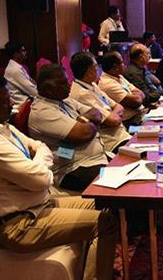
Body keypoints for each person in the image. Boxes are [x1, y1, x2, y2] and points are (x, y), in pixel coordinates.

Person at [0, 71, 118, 280]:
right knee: (106, 223)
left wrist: (39, 158)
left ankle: (90, 278)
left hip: (38, 206)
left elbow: (39, 146)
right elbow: (42, 179)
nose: (12, 106)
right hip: (20, 225)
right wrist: (40, 161)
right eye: (5, 101)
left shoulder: (1, 126)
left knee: (105, 203)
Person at [28, 64, 108, 192]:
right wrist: (85, 125)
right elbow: (84, 133)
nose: (69, 85)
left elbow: (97, 113)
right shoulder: (42, 112)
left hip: (95, 160)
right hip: (72, 169)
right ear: (49, 88)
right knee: (122, 185)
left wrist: (81, 121)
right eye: (64, 83)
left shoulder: (65, 100)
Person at [69, 52, 131, 153]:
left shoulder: (92, 85)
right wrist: (115, 116)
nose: (99, 69)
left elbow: (119, 106)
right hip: (112, 142)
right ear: (89, 71)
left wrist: (114, 115)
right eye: (96, 66)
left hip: (121, 134)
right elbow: (113, 121)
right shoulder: (81, 94)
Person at [98, 51, 146, 127]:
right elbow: (137, 102)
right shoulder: (107, 84)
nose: (125, 65)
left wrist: (136, 95)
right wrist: (136, 96)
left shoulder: (118, 76)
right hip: (130, 122)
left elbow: (141, 93)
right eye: (122, 62)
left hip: (140, 115)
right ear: (115, 66)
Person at [4, 41, 38, 107]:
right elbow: (33, 92)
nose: (25, 52)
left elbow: (32, 83)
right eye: (23, 50)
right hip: (23, 105)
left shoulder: (16, 66)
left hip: (28, 101)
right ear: (16, 54)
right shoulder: (14, 70)